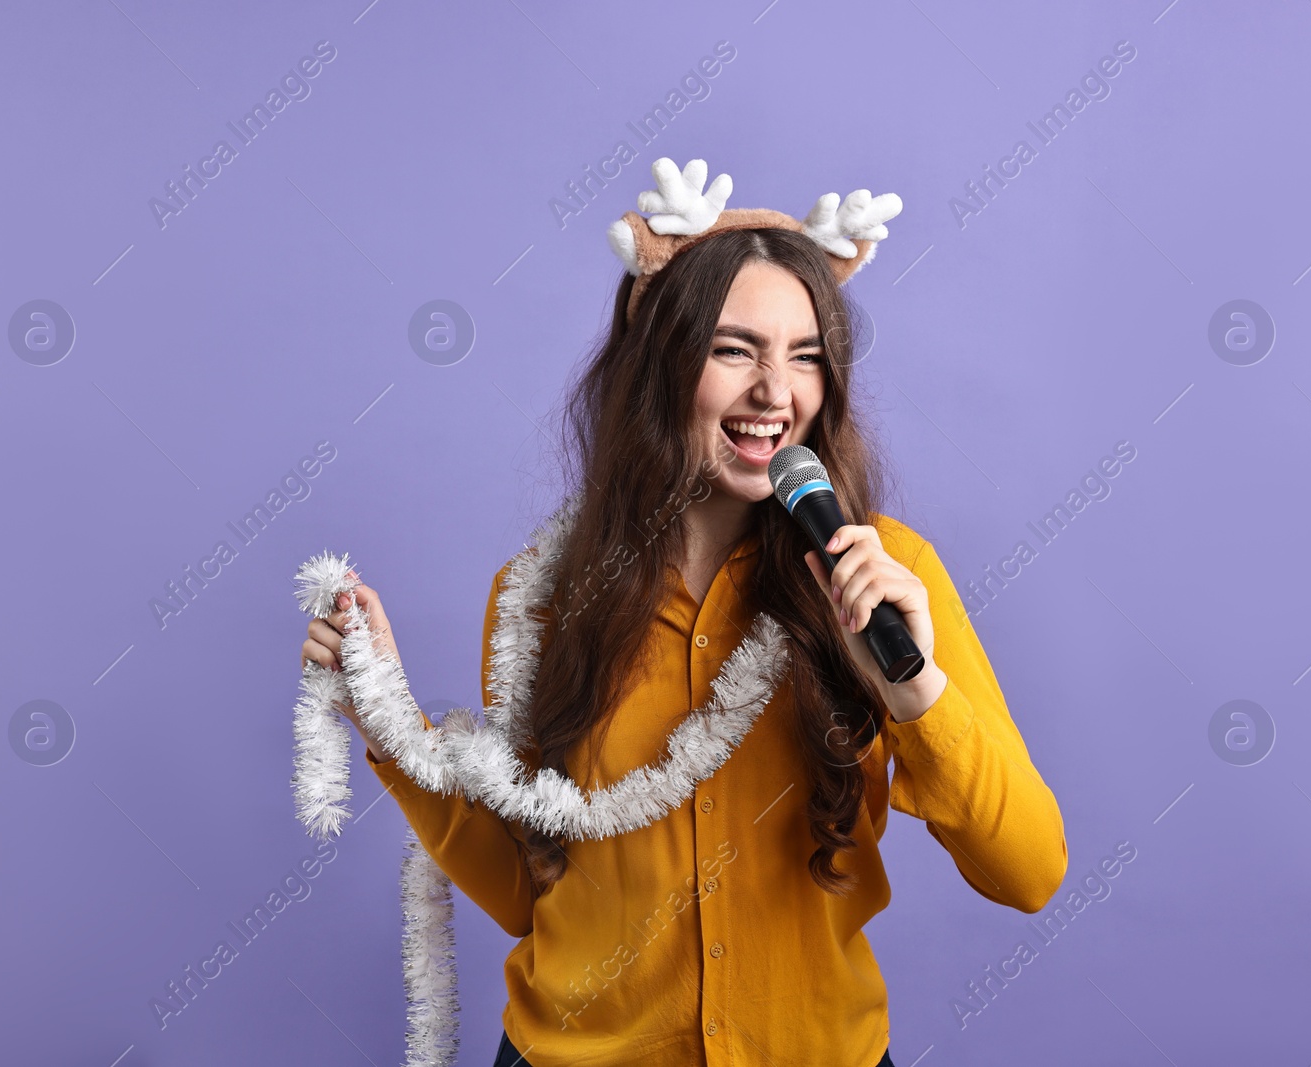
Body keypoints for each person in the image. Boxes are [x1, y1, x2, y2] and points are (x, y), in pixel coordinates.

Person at [300, 159, 1067, 1067]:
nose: (775, 394)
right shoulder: (540, 594)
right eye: (735, 349)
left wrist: (912, 688)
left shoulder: (891, 575)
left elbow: (1029, 873)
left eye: (806, 355)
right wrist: (390, 719)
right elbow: (528, 888)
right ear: (662, 362)